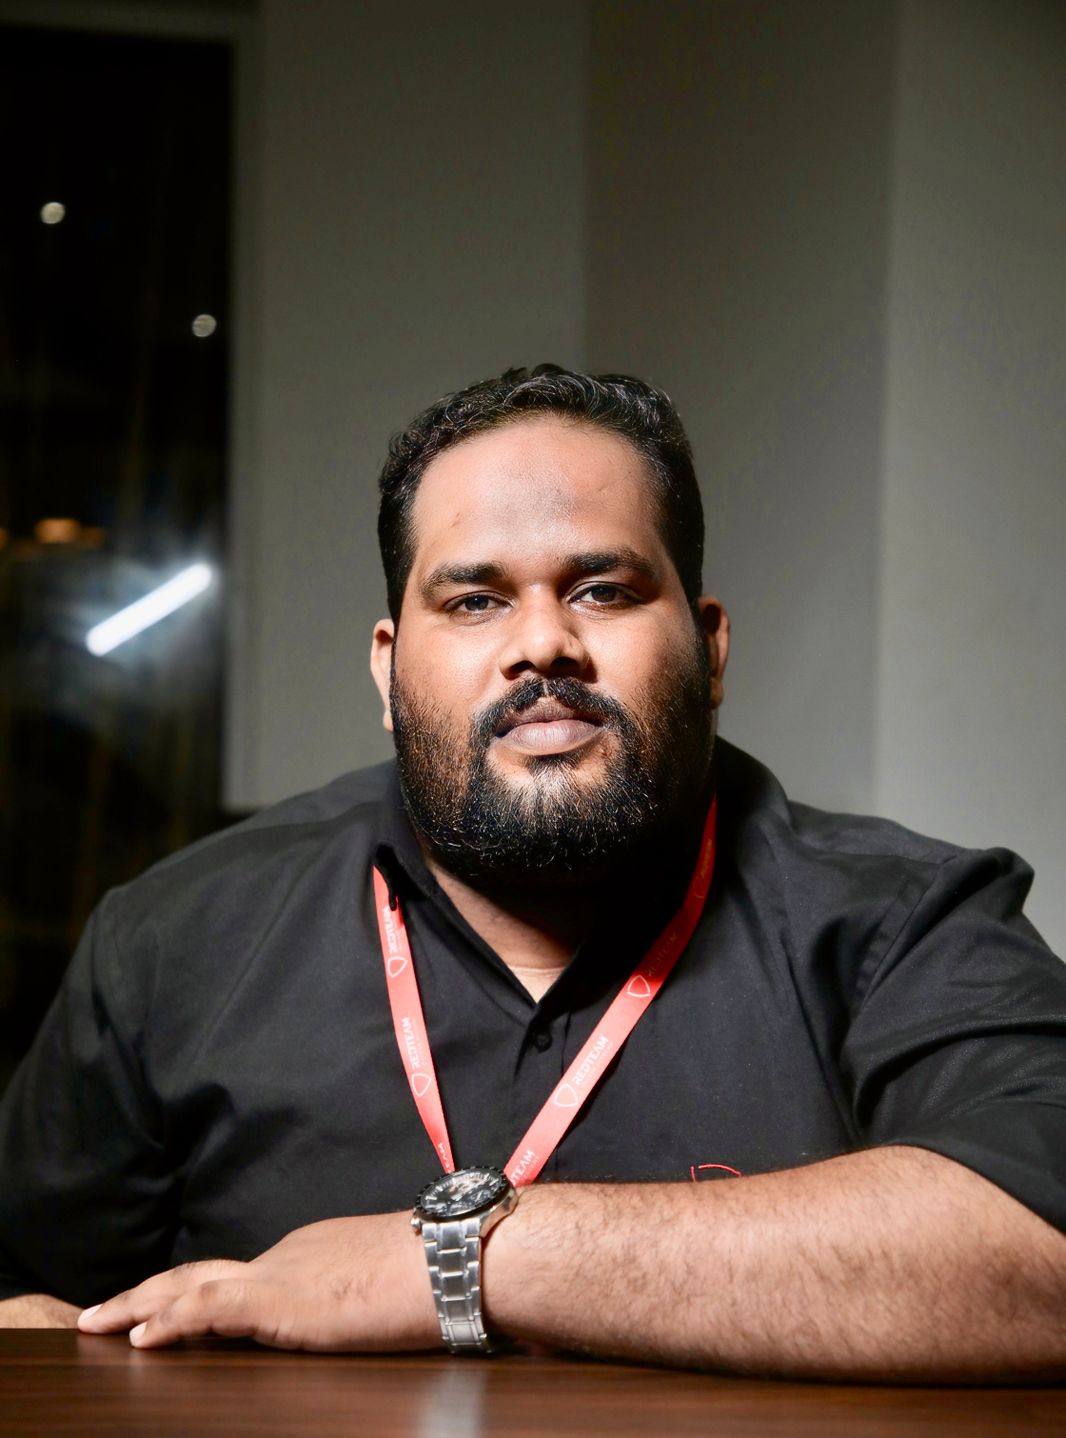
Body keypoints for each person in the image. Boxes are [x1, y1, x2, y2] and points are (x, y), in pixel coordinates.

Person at [2, 366, 1065, 1379]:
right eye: (474, 601)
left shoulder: (906, 922)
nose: (544, 643)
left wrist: (462, 1260)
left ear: (709, 650)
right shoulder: (174, 941)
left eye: (604, 589)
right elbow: (35, 1302)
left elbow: (1045, 1250)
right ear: (387, 668)